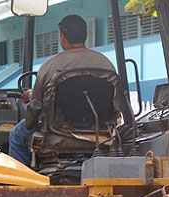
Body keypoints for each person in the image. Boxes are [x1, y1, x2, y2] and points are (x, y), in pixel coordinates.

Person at [8, 14, 116, 166]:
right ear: (85, 36)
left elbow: (36, 104)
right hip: (100, 135)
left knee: (16, 134)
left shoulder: (50, 66)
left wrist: (31, 96)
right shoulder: (107, 65)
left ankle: (21, 180)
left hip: (57, 135)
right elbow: (116, 105)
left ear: (63, 37)